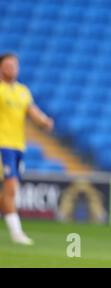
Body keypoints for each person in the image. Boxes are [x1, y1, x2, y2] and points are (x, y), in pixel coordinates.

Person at [0, 53, 54, 245]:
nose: (11, 68)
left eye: (14, 65)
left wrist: (44, 121)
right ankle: (17, 233)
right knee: (11, 188)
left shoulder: (23, 91)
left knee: (8, 192)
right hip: (2, 145)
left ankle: (15, 229)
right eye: (7, 65)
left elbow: (32, 111)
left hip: (18, 147)